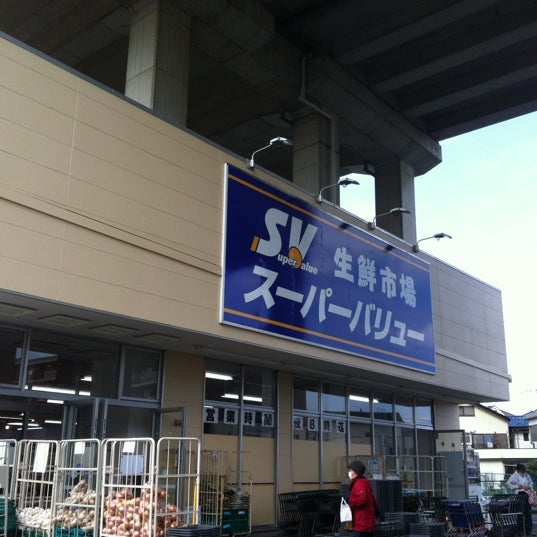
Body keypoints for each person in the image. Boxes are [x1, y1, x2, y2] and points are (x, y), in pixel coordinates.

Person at [347, 460, 379, 537]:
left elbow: (362, 500)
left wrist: (350, 501)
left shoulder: (359, 484)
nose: (349, 472)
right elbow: (373, 500)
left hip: (362, 523)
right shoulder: (364, 483)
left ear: (356, 472)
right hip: (366, 522)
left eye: (351, 470)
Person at [506, 463, 533, 535]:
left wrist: (529, 486)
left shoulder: (527, 475)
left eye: (524, 470)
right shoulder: (514, 476)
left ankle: (528, 531)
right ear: (518, 469)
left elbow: (531, 483)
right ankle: (520, 531)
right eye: (523, 470)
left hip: (527, 495)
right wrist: (517, 486)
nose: (524, 471)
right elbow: (508, 484)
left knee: (528, 514)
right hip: (519, 495)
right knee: (520, 514)